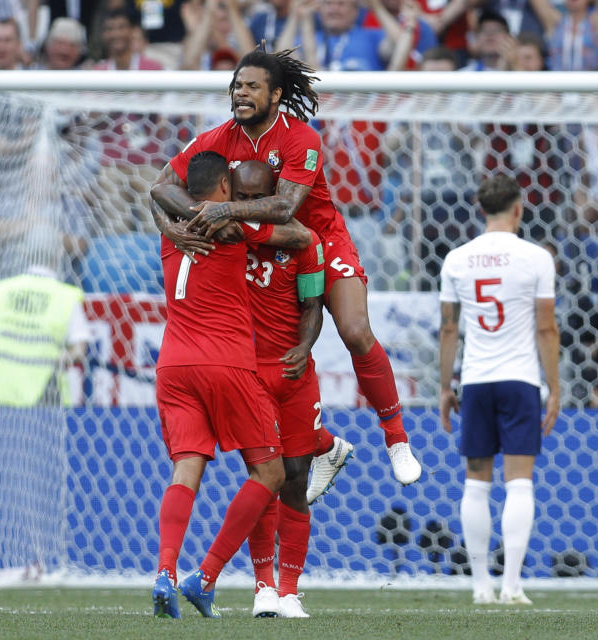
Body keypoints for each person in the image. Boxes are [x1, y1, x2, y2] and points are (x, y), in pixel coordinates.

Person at [149, 47, 422, 487]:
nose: (240, 93)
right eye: (237, 85)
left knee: (353, 329)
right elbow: (161, 185)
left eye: (251, 86)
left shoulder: (300, 138)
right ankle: (321, 444)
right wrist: (171, 227)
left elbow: (288, 206)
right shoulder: (217, 138)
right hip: (260, 248)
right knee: (269, 369)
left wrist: (223, 214)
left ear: (275, 95)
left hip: (317, 238)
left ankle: (396, 438)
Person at [151, 151, 294, 619]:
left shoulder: (169, 232)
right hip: (226, 363)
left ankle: (165, 573)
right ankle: (206, 576)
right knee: (271, 473)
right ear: (223, 190)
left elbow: (158, 194)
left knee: (185, 469)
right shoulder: (227, 227)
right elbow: (300, 235)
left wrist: (168, 215)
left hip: (173, 365)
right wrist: (241, 213)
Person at [231, 160, 350, 618]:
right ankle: (262, 586)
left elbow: (312, 304)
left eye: (256, 198)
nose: (247, 207)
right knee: (266, 478)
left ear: (275, 197)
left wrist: (304, 346)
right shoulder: (226, 238)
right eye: (239, 199)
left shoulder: (307, 244)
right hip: (248, 375)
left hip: (294, 374)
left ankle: (290, 590)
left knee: (297, 479)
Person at [438, 174, 561, 605]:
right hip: (520, 380)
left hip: (475, 380)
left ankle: (480, 585)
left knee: (475, 483)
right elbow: (546, 328)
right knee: (520, 483)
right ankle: (512, 585)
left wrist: (444, 387)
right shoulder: (537, 257)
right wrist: (556, 388)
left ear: (479, 208)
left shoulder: (457, 259)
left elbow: (449, 328)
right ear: (519, 209)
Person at [0, 265, 88, 407]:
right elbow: (79, 350)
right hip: (46, 393)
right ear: (57, 257)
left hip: (2, 390)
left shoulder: (5, 288)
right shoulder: (65, 295)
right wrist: (63, 358)